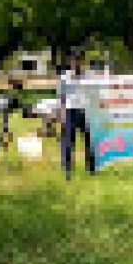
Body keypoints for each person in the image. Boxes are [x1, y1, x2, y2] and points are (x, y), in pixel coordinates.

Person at [59, 50, 96, 179]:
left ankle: (91, 169)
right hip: (71, 111)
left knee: (89, 141)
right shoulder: (64, 77)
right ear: (71, 62)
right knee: (69, 142)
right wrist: (62, 115)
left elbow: (93, 94)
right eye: (74, 60)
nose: (76, 63)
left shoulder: (88, 76)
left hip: (85, 111)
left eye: (79, 60)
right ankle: (68, 170)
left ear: (82, 61)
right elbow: (61, 97)